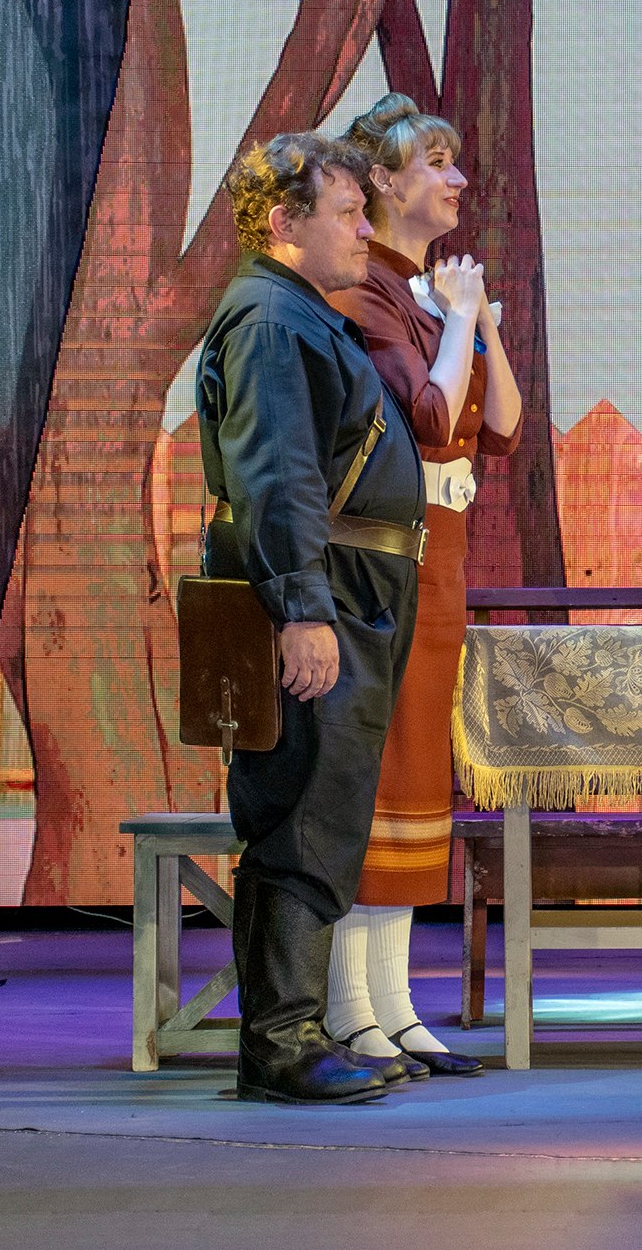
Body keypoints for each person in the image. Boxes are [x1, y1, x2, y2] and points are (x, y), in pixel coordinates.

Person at [197, 133, 428, 1104]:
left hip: (346, 589)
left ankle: (295, 1031)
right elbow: (277, 474)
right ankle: (281, 1043)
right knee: (301, 814)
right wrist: (302, 609)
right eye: (345, 212)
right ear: (284, 221)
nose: (365, 230)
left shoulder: (297, 313)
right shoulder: (268, 319)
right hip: (318, 591)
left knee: (323, 809)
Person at [318, 94, 523, 1079]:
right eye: (435, 161)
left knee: (413, 778)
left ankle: (393, 1003)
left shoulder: (432, 293)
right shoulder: (366, 292)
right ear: (383, 181)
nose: (457, 179)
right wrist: (457, 318)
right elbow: (432, 419)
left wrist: (478, 321)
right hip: (382, 561)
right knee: (375, 770)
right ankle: (344, 1003)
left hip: (439, 558)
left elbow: (504, 428)